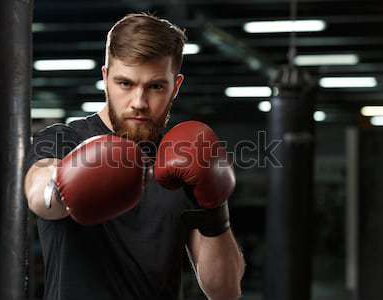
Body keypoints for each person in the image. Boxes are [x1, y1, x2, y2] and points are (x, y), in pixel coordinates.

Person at [24, 13, 245, 300]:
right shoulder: (63, 140)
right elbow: (38, 193)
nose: (139, 103)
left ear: (175, 86)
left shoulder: (184, 157)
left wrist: (215, 207)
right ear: (105, 78)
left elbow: (225, 291)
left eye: (155, 86)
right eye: (125, 84)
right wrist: (61, 181)